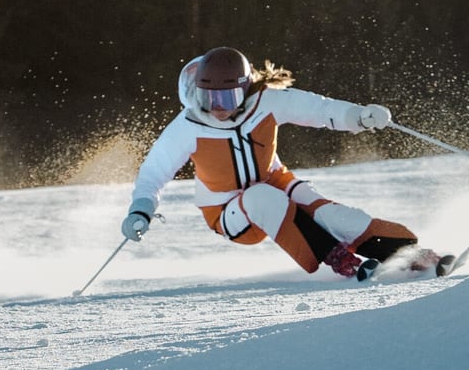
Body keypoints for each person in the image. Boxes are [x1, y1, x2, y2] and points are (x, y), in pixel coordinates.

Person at [121, 46, 438, 278]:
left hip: (277, 182)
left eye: (227, 99)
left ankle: (409, 255)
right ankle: (338, 258)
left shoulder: (265, 101)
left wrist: (358, 115)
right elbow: (154, 171)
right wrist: (141, 210)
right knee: (261, 198)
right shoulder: (188, 125)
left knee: (333, 215)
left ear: (244, 90)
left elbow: (316, 108)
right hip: (227, 211)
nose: (218, 108)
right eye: (209, 98)